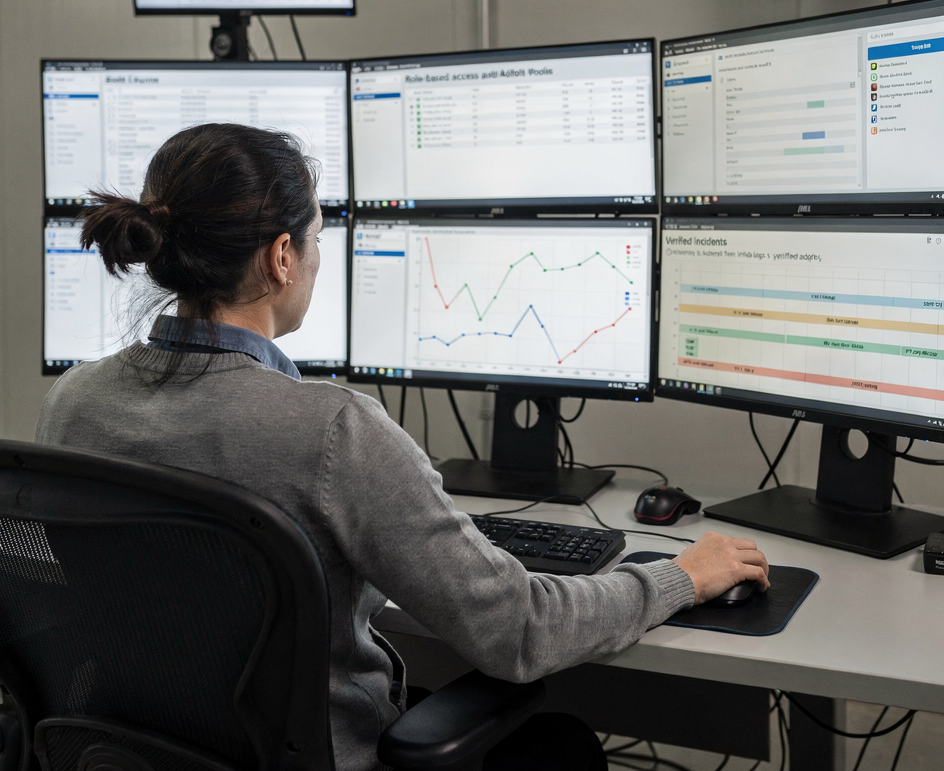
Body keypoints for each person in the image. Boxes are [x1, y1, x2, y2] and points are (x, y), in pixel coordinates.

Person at [36, 123, 770, 771]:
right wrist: (681, 576)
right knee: (562, 745)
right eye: (319, 238)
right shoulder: (332, 432)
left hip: (130, 753)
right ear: (282, 257)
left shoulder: (73, 403)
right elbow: (521, 633)